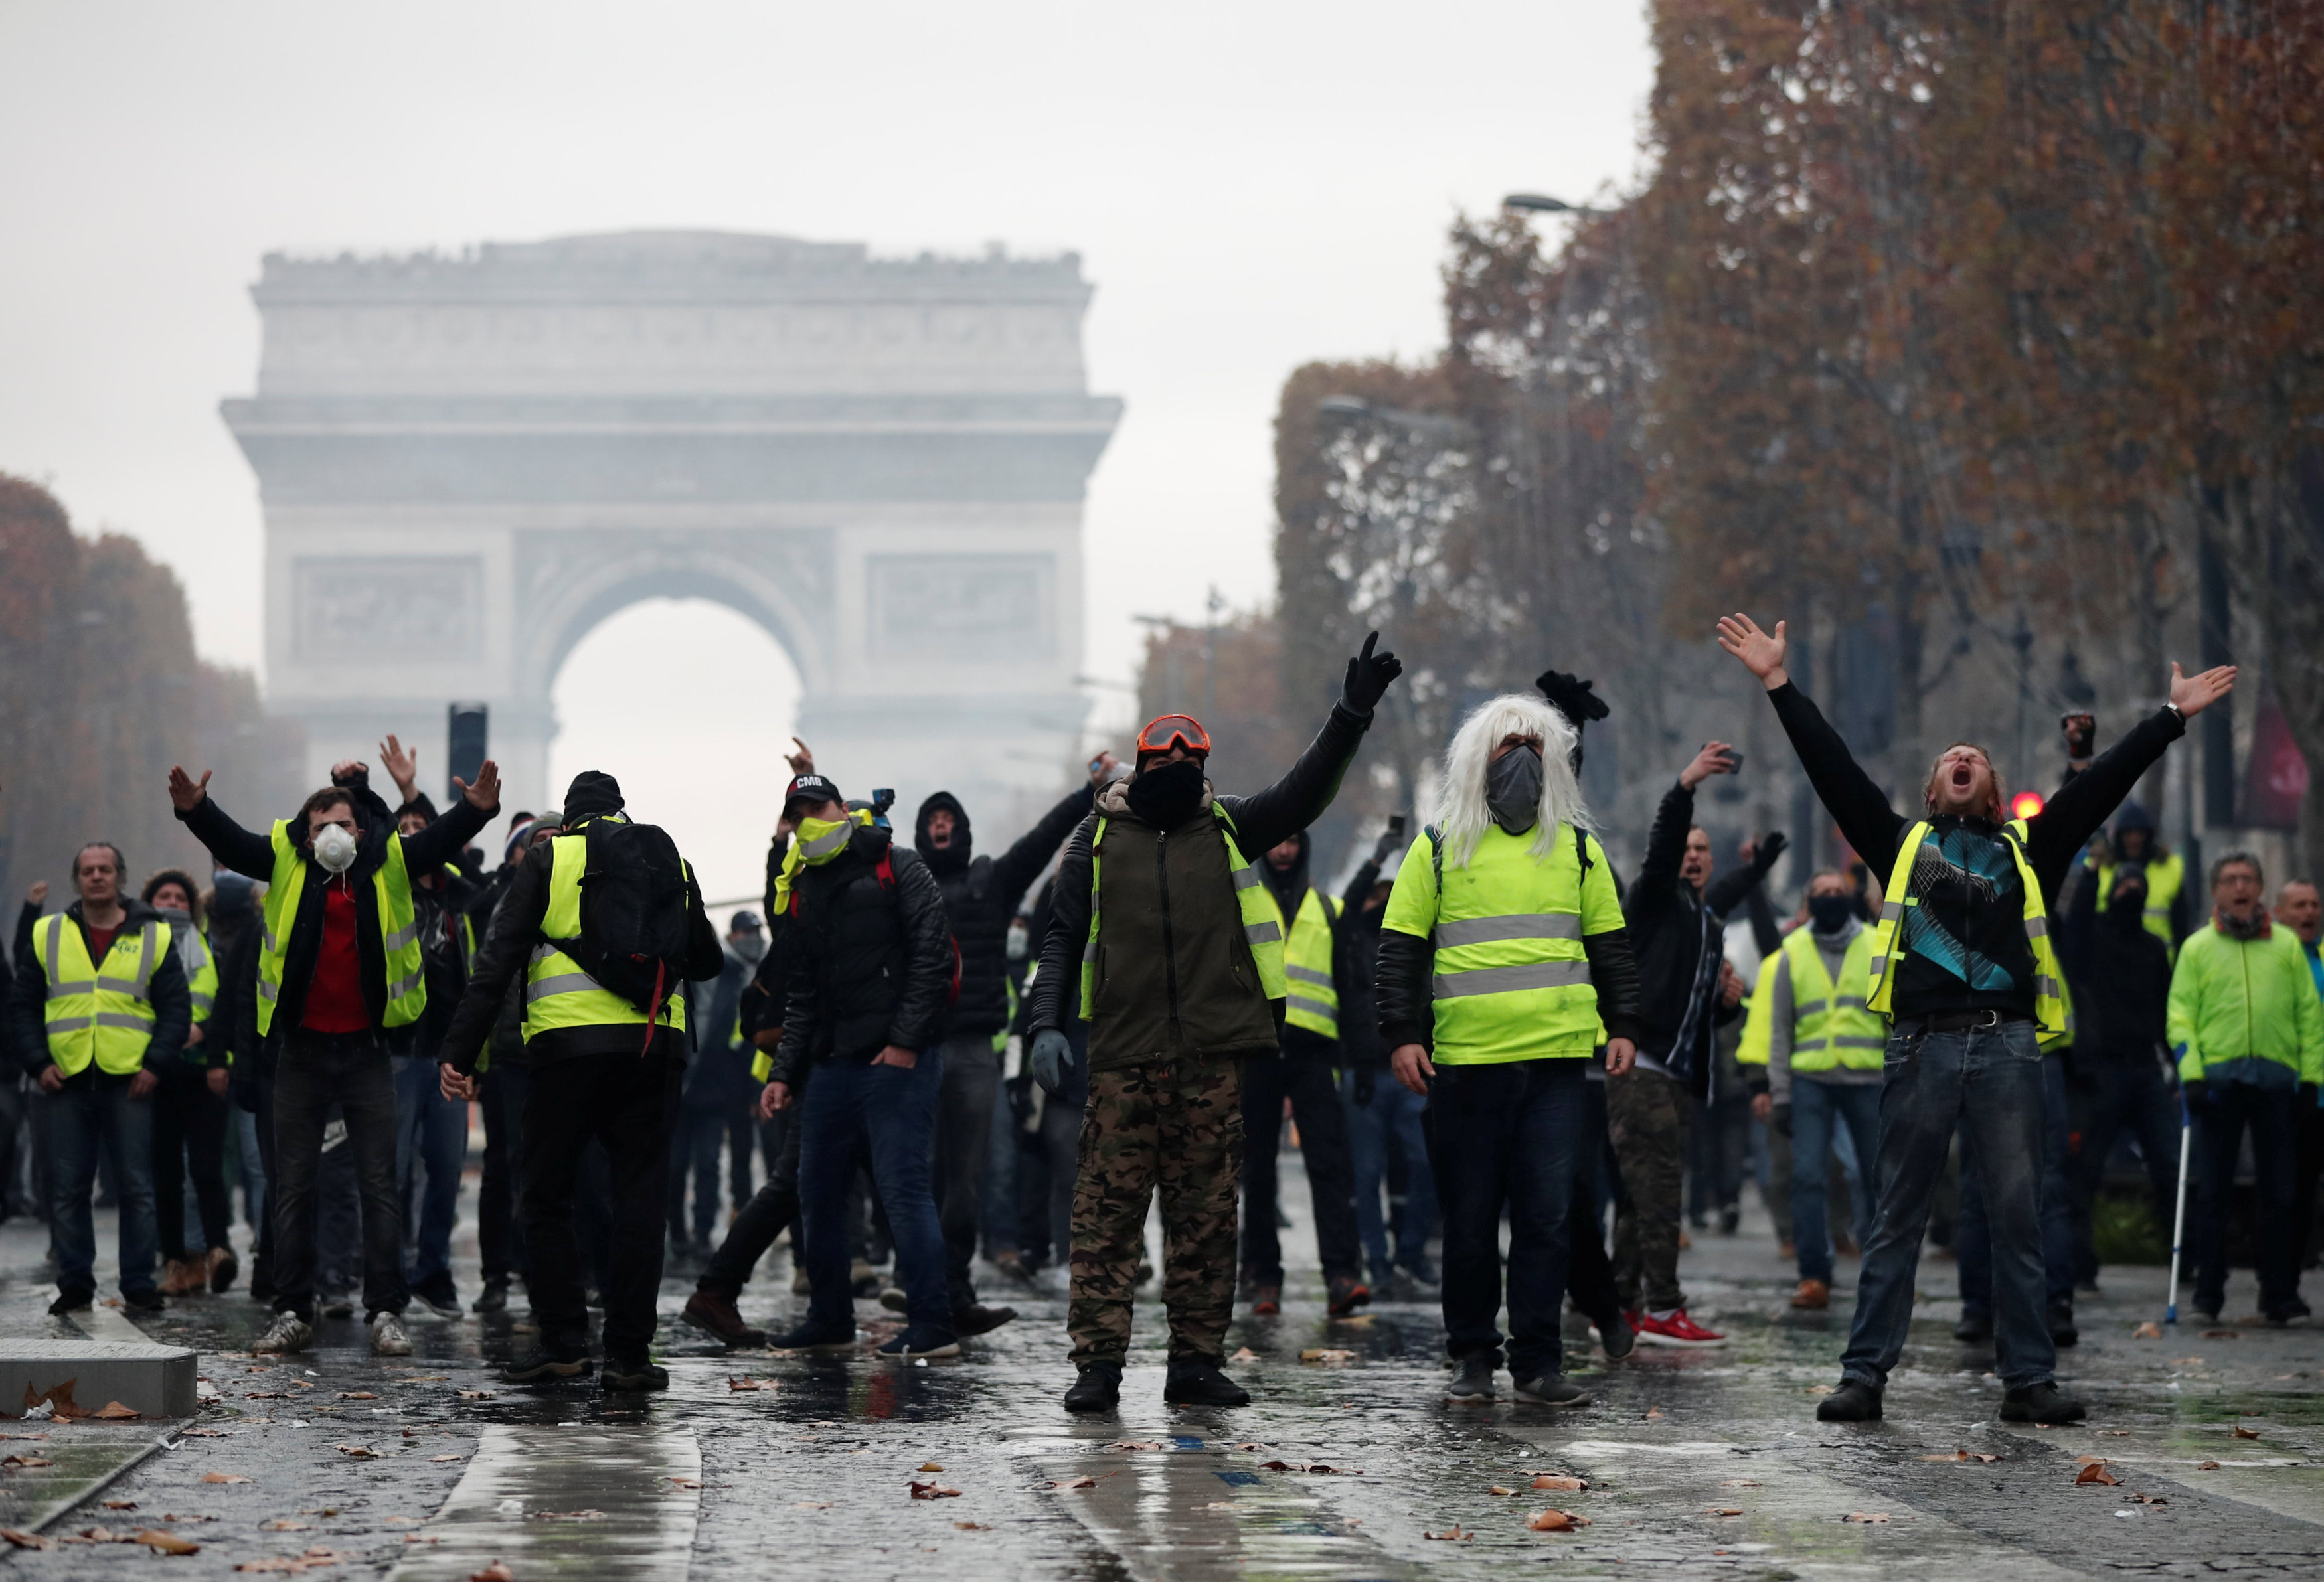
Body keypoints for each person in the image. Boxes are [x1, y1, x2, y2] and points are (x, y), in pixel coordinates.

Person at [1718, 610, 2233, 1423]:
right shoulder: (1896, 844)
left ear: (1992, 791)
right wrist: (1778, 685)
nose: (1961, 759)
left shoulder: (2030, 848)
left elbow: (2100, 786)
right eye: (1948, 759)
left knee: (2017, 1216)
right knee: (1895, 1218)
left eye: (1975, 759)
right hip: (1919, 1051)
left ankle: (2026, 1380)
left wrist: (2169, 718)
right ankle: (1863, 1376)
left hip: (2005, 1051)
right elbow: (1832, 767)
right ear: (1930, 790)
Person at [1028, 631, 1403, 1412]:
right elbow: (1059, 935)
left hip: (1209, 1058)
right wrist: (1044, 1024)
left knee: (1204, 1221)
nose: (1173, 770)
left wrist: (1350, 715)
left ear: (1202, 768)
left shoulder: (1230, 826)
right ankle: (1096, 1366)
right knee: (1106, 1221)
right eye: (1159, 759)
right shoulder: (1092, 839)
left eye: (1186, 760)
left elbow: (1304, 791)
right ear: (1140, 763)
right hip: (1123, 1055)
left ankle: (1193, 1363)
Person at [170, 754, 500, 1357]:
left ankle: (386, 1310)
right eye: (321, 823)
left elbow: (443, 839)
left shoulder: (392, 859)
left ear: (362, 829)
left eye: (344, 824)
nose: (332, 834)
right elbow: (232, 842)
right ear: (305, 829)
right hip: (300, 1052)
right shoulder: (284, 858)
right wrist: (195, 809)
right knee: (291, 1187)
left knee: (381, 1186)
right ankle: (293, 1308)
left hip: (369, 1052)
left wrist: (476, 809)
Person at [1376, 694, 1643, 1407]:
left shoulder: (1579, 850)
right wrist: (1402, 1036)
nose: (1520, 756)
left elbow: (1610, 949)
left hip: (1557, 1068)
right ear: (1477, 758)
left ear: (1554, 757)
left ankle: (1537, 1364)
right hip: (1465, 1067)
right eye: (1506, 743)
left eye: (1532, 742)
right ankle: (1470, 1356)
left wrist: (1622, 1027)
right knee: (1466, 1221)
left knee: (1547, 1220)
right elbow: (1398, 951)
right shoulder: (1437, 847)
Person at [437, 773, 720, 1387]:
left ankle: (564, 1340)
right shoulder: (668, 855)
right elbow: (708, 958)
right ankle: (629, 1355)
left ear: (568, 821)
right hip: (654, 1047)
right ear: (621, 811)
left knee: (544, 1195)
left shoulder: (550, 857)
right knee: (640, 1200)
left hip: (567, 1049)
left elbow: (498, 959)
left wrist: (459, 1050)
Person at [910, 759, 1115, 1337]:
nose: (942, 824)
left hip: (974, 1050)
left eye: (950, 816)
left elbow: (1039, 841)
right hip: (917, 1050)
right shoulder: (902, 883)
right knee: (915, 1179)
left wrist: (1085, 794)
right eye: (934, 817)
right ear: (923, 830)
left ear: (962, 828)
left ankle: (954, 1287)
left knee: (966, 1181)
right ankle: (926, 1285)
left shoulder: (992, 883)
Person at [756, 771, 957, 1358]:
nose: (811, 820)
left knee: (902, 1193)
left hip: (897, 1062)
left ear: (844, 808)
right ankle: (830, 1318)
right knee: (815, 1193)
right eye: (800, 813)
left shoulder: (901, 864)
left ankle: (933, 1323)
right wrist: (783, 1071)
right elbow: (802, 993)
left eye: (819, 807)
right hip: (831, 1066)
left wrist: (904, 1043)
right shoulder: (806, 885)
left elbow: (933, 955)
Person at [1610, 744, 1783, 1347]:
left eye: (1701, 851)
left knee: (1640, 1197)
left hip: (1677, 1075)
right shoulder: (1654, 902)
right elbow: (1662, 852)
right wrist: (1684, 786)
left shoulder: (1705, 921)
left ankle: (1621, 1304)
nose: (1692, 856)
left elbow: (1701, 1010)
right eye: (1686, 848)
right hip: (1642, 1070)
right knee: (1659, 1196)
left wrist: (1728, 1003)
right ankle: (1661, 1308)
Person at [9, 843, 187, 1314]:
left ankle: (138, 1283)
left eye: (104, 869)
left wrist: (155, 1064)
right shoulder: (48, 933)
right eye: (88, 870)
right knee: (67, 1188)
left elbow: (175, 1008)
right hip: (63, 1077)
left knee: (136, 1187)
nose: (96, 877)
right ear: (77, 880)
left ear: (119, 877)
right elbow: (23, 1006)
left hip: (129, 1077)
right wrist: (37, 1062)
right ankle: (74, 1283)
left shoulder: (154, 934)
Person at [2171, 852, 2323, 1324]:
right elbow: (2180, 1016)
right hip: (2218, 1081)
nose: (2240, 887)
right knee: (2213, 1192)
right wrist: (2192, 1073)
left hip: (2278, 1083)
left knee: (2280, 1193)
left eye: (2249, 879)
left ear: (2261, 889)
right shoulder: (2197, 948)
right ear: (2216, 890)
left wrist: (2311, 1077)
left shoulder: (2284, 946)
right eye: (2231, 879)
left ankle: (2277, 1293)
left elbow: (2309, 1017)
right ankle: (2208, 1294)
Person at [1241, 827, 1370, 1318]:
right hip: (1257, 1051)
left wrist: (1359, 1061)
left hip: (1315, 1054)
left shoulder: (1330, 912)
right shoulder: (1244, 905)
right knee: (1257, 1171)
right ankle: (1261, 1277)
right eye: (1276, 841)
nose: (1282, 850)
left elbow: (1353, 991)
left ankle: (1341, 1275)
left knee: (1330, 1166)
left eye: (1293, 841)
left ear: (1305, 848)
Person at [1742, 870, 1884, 1311]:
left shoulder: (1876, 945)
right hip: (1811, 1083)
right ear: (1810, 900)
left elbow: (1893, 1021)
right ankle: (1813, 1275)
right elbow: (1781, 1031)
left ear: (1850, 899)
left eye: (1837, 892)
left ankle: (1887, 1272)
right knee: (1807, 1177)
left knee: (1878, 1178)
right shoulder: (1792, 953)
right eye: (1821, 893)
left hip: (1867, 1081)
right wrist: (1781, 1092)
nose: (1830, 898)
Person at [2056, 859, 2179, 1291]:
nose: (2131, 890)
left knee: (2169, 1165)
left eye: (2137, 884)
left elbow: (2167, 1011)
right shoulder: (2095, 939)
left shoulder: (2153, 947)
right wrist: (2090, 874)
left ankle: (2185, 1258)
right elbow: (2077, 926)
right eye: (2123, 883)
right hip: (2105, 1068)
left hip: (2145, 1067)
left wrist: (2177, 1069)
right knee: (2084, 1171)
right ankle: (2080, 1264)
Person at [1337, 827, 1435, 1295]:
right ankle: (1377, 1261)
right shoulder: (1351, 935)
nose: (1383, 902)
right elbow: (1350, 904)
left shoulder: (1419, 943)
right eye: (1378, 894)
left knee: (1425, 1164)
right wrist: (1378, 858)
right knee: (1367, 1173)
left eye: (1391, 894)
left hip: (1413, 1072)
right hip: (1365, 1076)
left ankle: (1411, 1253)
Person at [141, 869, 236, 1297]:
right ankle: (178, 1260)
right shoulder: (137, 949)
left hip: (201, 1068)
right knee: (165, 1173)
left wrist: (202, 1030)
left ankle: (217, 1248)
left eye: (181, 897)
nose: (173, 904)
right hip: (156, 1072)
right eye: (164, 896)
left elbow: (224, 1001)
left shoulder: (209, 948)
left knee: (207, 1167)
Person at [675, 910, 766, 1253]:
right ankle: (682, 1233)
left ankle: (700, 1233)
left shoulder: (731, 975)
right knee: (678, 1166)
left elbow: (743, 1039)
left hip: (711, 1090)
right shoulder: (678, 975)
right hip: (685, 1088)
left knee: (708, 1164)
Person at [2279, 880, 2324, 1269]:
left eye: (2313, 905)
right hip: (2288, 1091)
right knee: (2293, 1191)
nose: (2309, 912)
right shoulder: (2274, 958)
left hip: (2320, 1091)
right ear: (2280, 912)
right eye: (2299, 906)